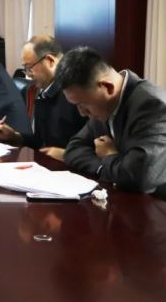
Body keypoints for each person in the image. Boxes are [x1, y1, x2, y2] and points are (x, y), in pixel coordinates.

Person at [57, 47, 166, 195]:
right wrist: (105, 167)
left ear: (107, 87)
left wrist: (109, 155)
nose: (82, 113)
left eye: (82, 104)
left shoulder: (154, 107)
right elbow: (73, 150)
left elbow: (138, 178)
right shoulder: (103, 105)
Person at [0, 36, 87, 160]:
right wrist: (14, 136)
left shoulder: (76, 92)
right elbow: (41, 141)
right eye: (25, 69)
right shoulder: (43, 93)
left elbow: (95, 148)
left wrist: (66, 155)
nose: (28, 75)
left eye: (30, 68)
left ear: (50, 61)